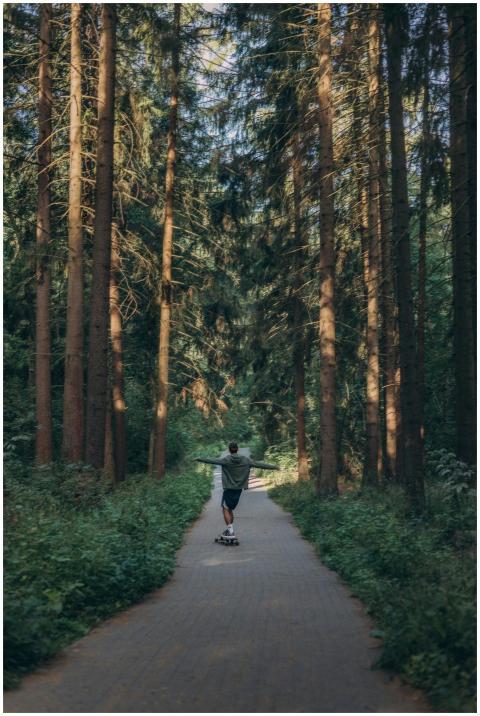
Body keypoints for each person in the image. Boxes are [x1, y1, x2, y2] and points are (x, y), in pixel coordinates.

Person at [195, 441, 278, 540]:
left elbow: (212, 460)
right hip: (239, 489)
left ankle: (230, 531)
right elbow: (259, 464)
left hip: (229, 489)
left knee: (225, 509)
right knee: (230, 509)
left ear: (229, 450)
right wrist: (274, 467)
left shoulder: (226, 460)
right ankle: (230, 530)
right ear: (237, 449)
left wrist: (199, 459)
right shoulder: (246, 460)